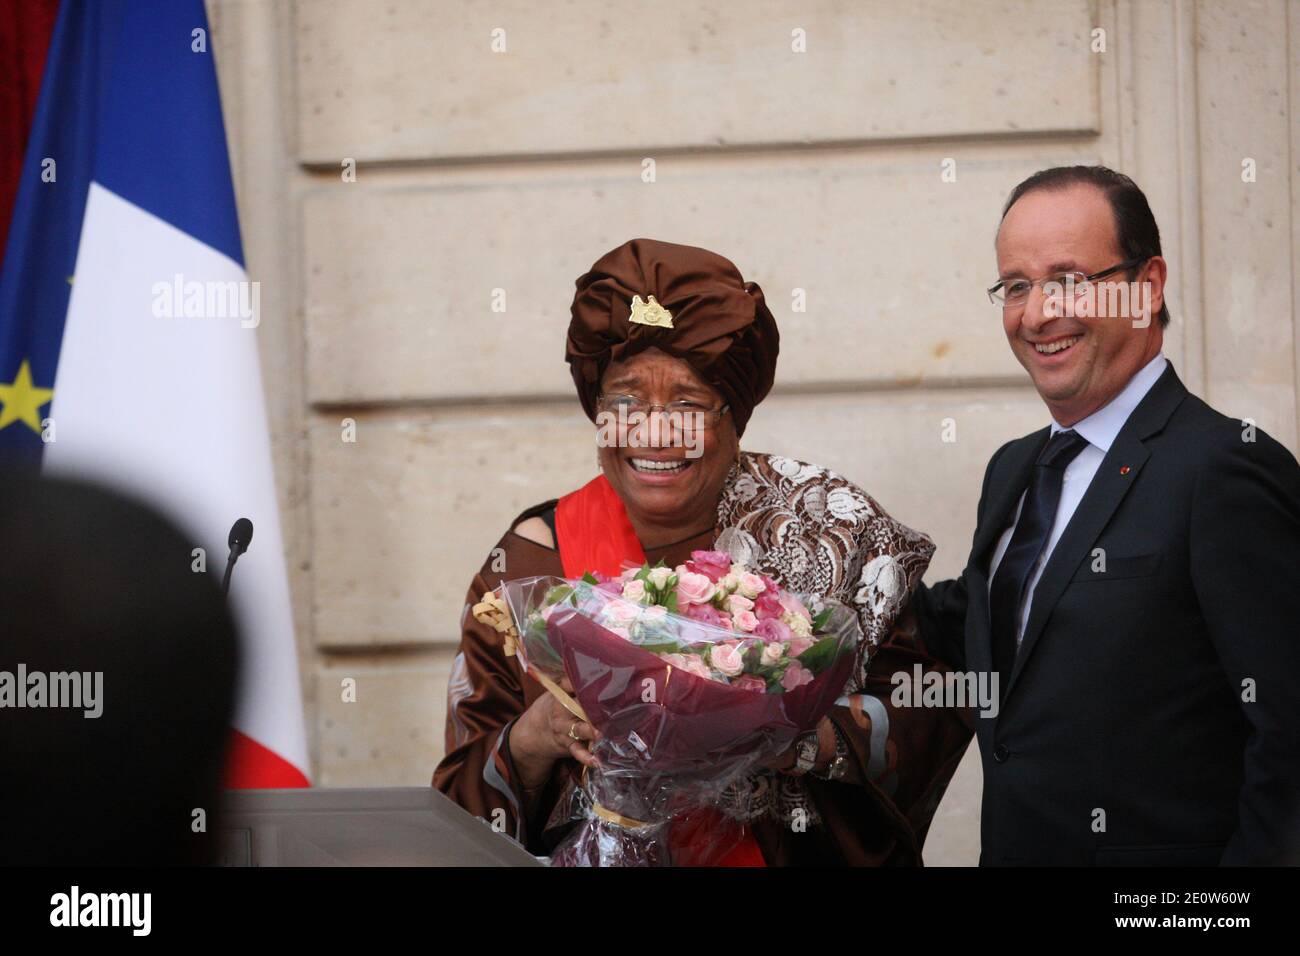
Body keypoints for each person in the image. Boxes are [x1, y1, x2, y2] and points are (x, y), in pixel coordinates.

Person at [433, 238, 972, 864]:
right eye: (626, 401)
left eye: (688, 403)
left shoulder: (822, 525)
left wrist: (789, 739)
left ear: (733, 416)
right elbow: (456, 806)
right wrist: (538, 736)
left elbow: (931, 705)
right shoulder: (529, 562)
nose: (656, 433)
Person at [913, 165, 1300, 865]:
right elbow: (978, 621)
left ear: (1146, 287)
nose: (1037, 314)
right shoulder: (1015, 468)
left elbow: (1290, 741)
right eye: (1017, 286)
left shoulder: (1223, 468)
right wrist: (770, 611)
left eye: (1069, 279)